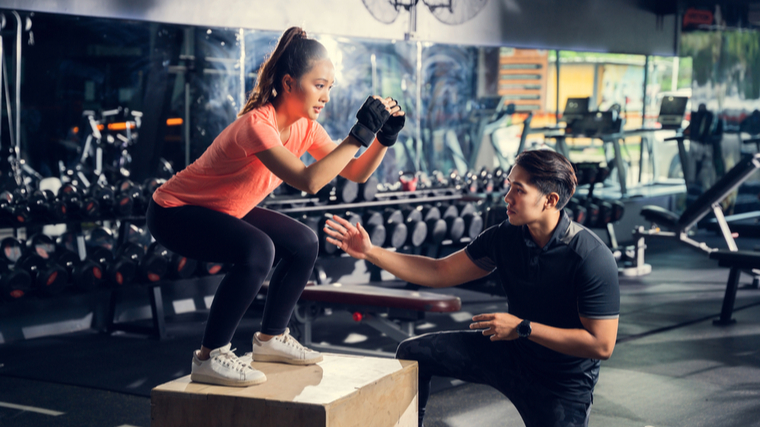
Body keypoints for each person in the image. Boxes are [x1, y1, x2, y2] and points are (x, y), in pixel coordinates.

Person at [146, 26, 405, 387]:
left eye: (330, 87)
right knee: (258, 250)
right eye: (319, 85)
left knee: (303, 242)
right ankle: (209, 356)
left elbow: (356, 172)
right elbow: (309, 181)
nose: (326, 96)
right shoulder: (257, 125)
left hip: (224, 208)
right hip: (174, 211)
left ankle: (270, 339)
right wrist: (358, 134)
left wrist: (383, 138)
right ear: (288, 83)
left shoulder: (306, 128)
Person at [324, 149, 619, 427]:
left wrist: (522, 327)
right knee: (414, 352)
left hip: (561, 381)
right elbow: (439, 271)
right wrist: (371, 252)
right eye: (509, 186)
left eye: (519, 190)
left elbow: (601, 345)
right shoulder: (505, 237)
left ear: (550, 200)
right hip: (512, 354)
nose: (507, 197)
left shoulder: (590, 257)